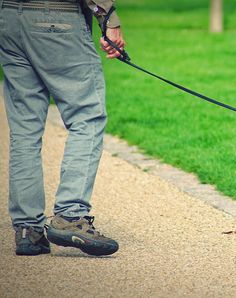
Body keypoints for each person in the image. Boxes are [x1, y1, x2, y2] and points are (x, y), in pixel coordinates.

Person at [0, 0, 125, 256]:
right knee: (87, 116)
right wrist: (109, 18)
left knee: (25, 129)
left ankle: (28, 230)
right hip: (57, 17)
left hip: (9, 17)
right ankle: (70, 214)